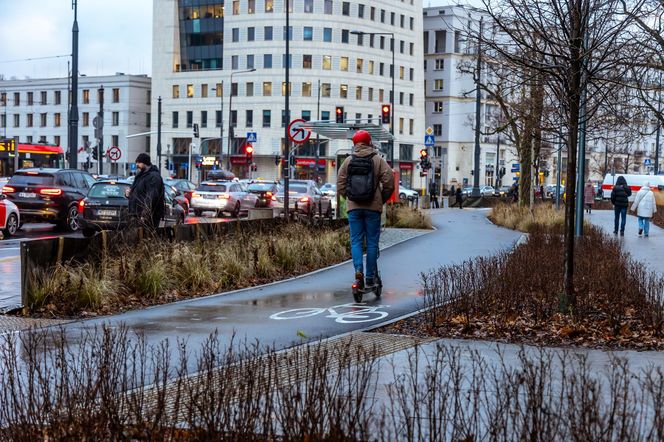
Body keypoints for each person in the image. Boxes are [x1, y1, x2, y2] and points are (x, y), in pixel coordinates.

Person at [337, 130, 395, 290]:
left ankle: (358, 271)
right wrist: (381, 199)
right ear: (370, 143)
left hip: (354, 208)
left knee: (355, 240)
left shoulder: (348, 161)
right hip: (373, 208)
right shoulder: (378, 160)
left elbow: (340, 183)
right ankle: (370, 277)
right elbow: (389, 181)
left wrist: (349, 197)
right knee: (371, 242)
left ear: (354, 144)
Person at [128, 153, 165, 230]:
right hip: (136, 214)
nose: (137, 165)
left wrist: (145, 214)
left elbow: (152, 196)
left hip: (149, 216)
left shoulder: (154, 177)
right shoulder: (140, 175)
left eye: (139, 163)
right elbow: (137, 191)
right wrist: (128, 194)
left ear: (145, 163)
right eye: (136, 162)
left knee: (146, 236)